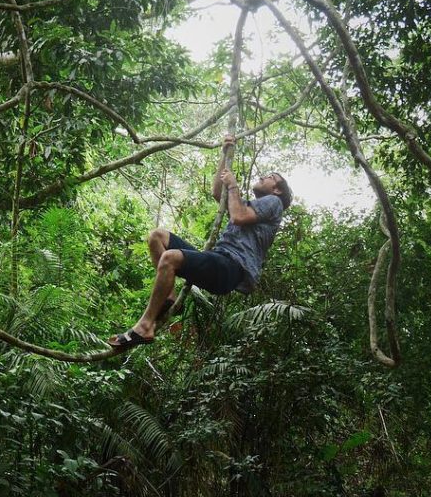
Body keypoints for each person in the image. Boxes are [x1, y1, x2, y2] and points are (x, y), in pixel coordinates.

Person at [110, 134, 293, 348]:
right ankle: (169, 297)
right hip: (218, 259)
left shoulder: (274, 203)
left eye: (270, 177)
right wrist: (225, 155)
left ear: (277, 189)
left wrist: (233, 185)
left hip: (232, 268)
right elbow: (218, 193)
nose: (263, 177)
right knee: (157, 236)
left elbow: (238, 217)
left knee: (170, 258)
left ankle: (145, 326)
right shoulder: (246, 205)